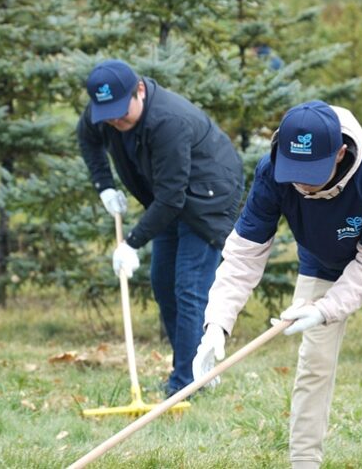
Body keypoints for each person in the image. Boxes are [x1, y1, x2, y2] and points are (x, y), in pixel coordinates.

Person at [192, 100, 362, 469]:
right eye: (293, 169)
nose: (300, 181)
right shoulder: (272, 172)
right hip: (323, 258)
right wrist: (216, 325)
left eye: (311, 169)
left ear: (340, 153)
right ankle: (303, 463)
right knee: (314, 360)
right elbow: (245, 253)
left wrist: (325, 309)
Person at [77, 59, 244, 397]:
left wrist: (131, 243)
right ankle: (195, 369)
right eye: (107, 114)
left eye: (122, 112)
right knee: (163, 282)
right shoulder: (105, 111)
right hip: (167, 196)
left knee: (189, 287)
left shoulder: (168, 121)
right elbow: (87, 138)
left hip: (210, 194)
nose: (115, 120)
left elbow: (172, 198)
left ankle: (186, 383)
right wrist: (104, 186)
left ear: (139, 90)